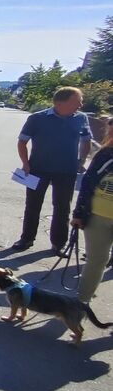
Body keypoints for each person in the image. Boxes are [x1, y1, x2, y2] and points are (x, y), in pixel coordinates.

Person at [13, 87, 92, 256]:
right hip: (38, 168)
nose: (80, 104)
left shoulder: (81, 118)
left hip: (66, 170)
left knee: (62, 208)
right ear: (60, 102)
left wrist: (82, 160)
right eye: (77, 101)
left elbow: (86, 141)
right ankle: (26, 239)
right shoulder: (37, 118)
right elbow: (22, 142)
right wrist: (25, 163)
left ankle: (58, 244)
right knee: (33, 206)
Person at [72, 116, 113, 302]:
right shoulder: (105, 154)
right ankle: (80, 305)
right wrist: (79, 213)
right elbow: (88, 183)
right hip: (98, 216)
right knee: (96, 262)